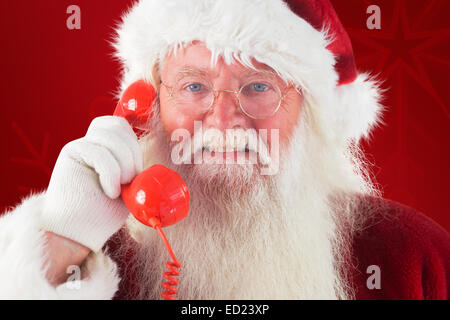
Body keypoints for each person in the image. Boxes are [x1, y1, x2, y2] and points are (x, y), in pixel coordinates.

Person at [0, 0, 448, 300]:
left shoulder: (413, 257)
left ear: (310, 113)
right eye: (194, 86)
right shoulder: (93, 261)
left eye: (257, 87)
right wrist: (60, 241)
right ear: (148, 105)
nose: (222, 122)